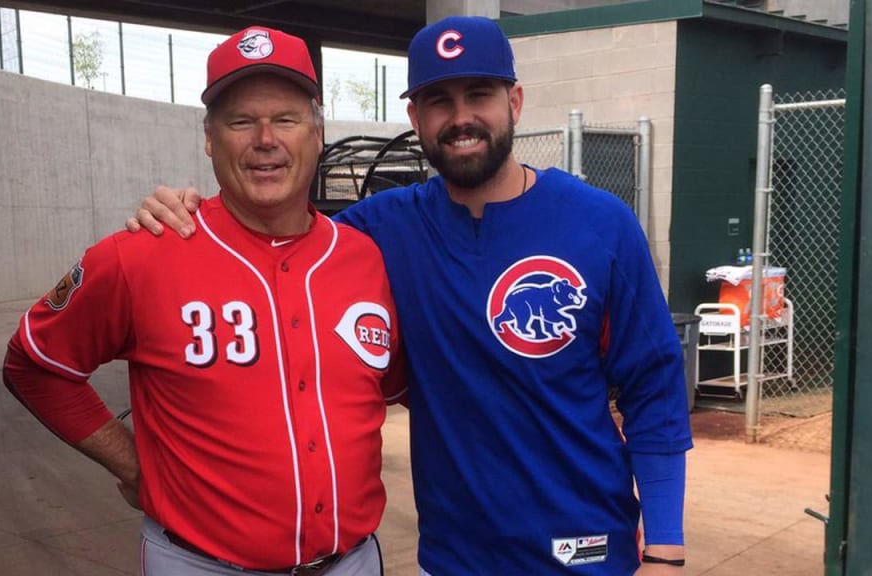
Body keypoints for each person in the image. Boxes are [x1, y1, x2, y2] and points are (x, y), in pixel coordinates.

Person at [130, 16, 692, 576]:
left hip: (586, 551)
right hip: (453, 559)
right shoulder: (381, 230)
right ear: (415, 118)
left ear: (514, 101)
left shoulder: (600, 224)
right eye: (438, 101)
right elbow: (277, 235)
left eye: (479, 94)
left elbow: (655, 384)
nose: (461, 117)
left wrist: (665, 547)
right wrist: (188, 214)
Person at [3, 25, 406, 576]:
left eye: (286, 118)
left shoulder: (364, 258)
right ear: (210, 138)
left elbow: (395, 386)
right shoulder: (142, 254)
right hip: (200, 563)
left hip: (353, 562)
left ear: (318, 131)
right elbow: (34, 363)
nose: (265, 139)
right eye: (241, 121)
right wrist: (135, 463)